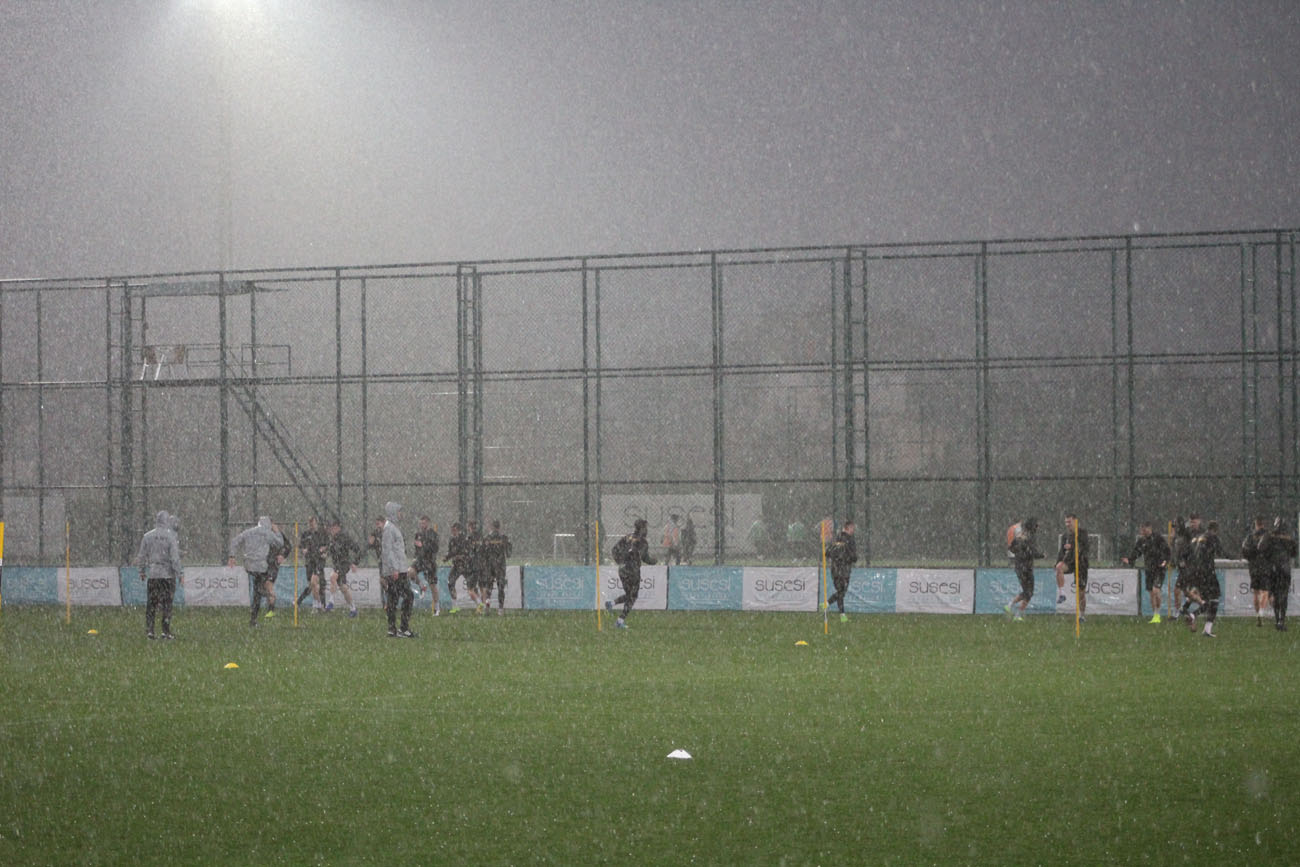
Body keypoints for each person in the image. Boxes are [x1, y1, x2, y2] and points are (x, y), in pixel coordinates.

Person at [230, 515, 286, 627]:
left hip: (249, 565)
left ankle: (255, 615)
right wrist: (277, 532)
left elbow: (235, 541)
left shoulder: (249, 532)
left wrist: (232, 556)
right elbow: (280, 543)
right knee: (258, 591)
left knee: (257, 587)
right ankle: (264, 595)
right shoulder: (267, 533)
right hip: (260, 566)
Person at [136, 510, 183, 640]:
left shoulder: (147, 536)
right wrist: (180, 573)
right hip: (167, 575)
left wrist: (141, 570)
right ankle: (165, 631)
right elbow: (174, 558)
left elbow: (141, 555)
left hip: (153, 574)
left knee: (151, 603)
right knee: (167, 603)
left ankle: (150, 631)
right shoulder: (170, 536)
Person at [605, 518, 657, 628]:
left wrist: (620, 561)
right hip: (633, 571)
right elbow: (645, 558)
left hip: (622, 570)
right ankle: (620, 621)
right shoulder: (642, 542)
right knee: (633, 596)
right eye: (645, 528)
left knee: (629, 595)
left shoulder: (627, 537)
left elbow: (614, 550)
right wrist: (654, 561)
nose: (646, 530)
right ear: (642, 528)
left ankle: (611, 603)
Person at [1178, 519, 1226, 637]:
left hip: (1195, 573)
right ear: (1215, 530)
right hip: (1208, 573)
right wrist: (1234, 557)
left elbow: (1186, 553)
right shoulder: (1212, 537)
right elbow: (1221, 552)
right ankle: (1195, 617)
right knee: (1214, 600)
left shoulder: (1198, 538)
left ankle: (1190, 613)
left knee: (1205, 600)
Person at [1122, 521, 1171, 624]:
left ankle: (1158, 612)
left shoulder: (1158, 538)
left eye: (1145, 529)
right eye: (1142, 530)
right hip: (1149, 569)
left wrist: (1165, 561)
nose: (1143, 532)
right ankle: (1156, 615)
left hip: (1159, 568)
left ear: (1150, 528)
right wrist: (1130, 560)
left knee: (1156, 590)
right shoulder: (1142, 541)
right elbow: (1137, 552)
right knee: (1151, 593)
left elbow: (1167, 551)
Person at [381, 502, 415, 637]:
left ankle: (392, 629)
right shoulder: (390, 529)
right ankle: (403, 628)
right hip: (396, 570)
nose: (401, 514)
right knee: (408, 596)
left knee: (393, 598)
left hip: (398, 569)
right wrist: (394, 568)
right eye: (399, 512)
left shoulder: (392, 527)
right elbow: (388, 550)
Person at [1261, 517, 1297, 631]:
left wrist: (1269, 555)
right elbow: (1295, 552)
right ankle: (1282, 620)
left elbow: (1260, 547)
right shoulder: (1289, 537)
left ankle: (1277, 620)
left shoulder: (1269, 535)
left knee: (1275, 594)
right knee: (1284, 594)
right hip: (1285, 568)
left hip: (1273, 568)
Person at [1003, 517, 1043, 621]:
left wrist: (1019, 552)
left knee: (1027, 591)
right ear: (1033, 526)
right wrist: (1042, 555)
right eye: (1037, 525)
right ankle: (1017, 613)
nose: (1038, 528)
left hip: (1019, 567)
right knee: (1029, 593)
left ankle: (1010, 606)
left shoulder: (1020, 536)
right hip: (1026, 567)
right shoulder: (1030, 537)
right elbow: (1032, 552)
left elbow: (1011, 548)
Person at [1055, 514, 1090, 620]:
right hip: (1069, 562)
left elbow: (1085, 547)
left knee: (1081, 592)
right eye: (1066, 522)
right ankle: (1062, 594)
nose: (1067, 524)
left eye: (1069, 522)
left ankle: (1082, 615)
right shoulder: (1065, 536)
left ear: (1075, 521)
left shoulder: (1082, 533)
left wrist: (1073, 546)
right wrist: (1058, 562)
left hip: (1081, 563)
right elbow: (1062, 551)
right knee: (1059, 567)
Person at [1241, 515, 1272, 627]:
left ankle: (1257, 615)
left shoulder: (1250, 536)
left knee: (1256, 592)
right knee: (1265, 591)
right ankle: (1261, 613)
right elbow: (1271, 550)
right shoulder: (1268, 535)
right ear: (1264, 524)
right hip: (1264, 566)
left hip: (1253, 566)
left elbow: (1244, 549)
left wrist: (1251, 558)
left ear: (1256, 524)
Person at [825, 519, 859, 622]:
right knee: (842, 592)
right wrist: (853, 558)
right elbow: (853, 556)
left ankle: (842, 615)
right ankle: (827, 603)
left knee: (840, 591)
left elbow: (828, 552)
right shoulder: (849, 540)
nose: (853, 530)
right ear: (848, 528)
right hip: (844, 570)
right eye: (852, 528)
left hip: (835, 569)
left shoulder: (837, 538)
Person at [325, 519, 361, 617]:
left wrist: (355, 563)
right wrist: (325, 553)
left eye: (333, 528)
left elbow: (357, 549)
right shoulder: (332, 539)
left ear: (338, 528)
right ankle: (353, 609)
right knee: (343, 588)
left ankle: (331, 602)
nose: (331, 530)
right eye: (330, 528)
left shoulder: (345, 537)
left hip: (344, 564)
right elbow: (331, 551)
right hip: (337, 565)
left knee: (333, 577)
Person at [297, 516, 330, 613]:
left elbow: (328, 545)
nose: (311, 525)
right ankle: (318, 605)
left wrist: (325, 551)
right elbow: (301, 546)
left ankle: (318, 605)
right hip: (309, 561)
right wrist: (303, 550)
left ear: (316, 523)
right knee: (312, 584)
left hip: (319, 561)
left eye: (313, 523)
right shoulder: (305, 534)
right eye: (310, 523)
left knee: (317, 583)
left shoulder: (322, 533)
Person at [481, 519, 512, 614]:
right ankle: (500, 609)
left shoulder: (487, 538)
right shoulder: (504, 538)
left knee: (488, 587)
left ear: (491, 527)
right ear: (499, 527)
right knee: (500, 587)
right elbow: (509, 554)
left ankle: (487, 605)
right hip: (500, 566)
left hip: (489, 565)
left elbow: (482, 552)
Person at [413, 515, 440, 614]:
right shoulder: (418, 534)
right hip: (420, 560)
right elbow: (417, 548)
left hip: (430, 561)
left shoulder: (433, 534)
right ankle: (421, 586)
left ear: (428, 523)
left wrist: (423, 545)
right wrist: (416, 556)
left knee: (433, 585)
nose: (422, 525)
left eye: (424, 523)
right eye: (421, 523)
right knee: (410, 572)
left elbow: (435, 548)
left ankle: (437, 608)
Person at [444, 522, 471, 614]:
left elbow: (467, 553)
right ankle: (455, 606)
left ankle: (479, 604)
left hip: (465, 565)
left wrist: (460, 556)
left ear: (459, 530)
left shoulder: (464, 539)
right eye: (452, 530)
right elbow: (451, 552)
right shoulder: (452, 540)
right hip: (456, 565)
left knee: (471, 585)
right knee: (450, 582)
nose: (453, 532)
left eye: (454, 530)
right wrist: (446, 558)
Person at [466, 519, 487, 612]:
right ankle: (483, 607)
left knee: (470, 589)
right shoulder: (481, 537)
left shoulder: (469, 538)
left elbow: (468, 552)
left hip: (474, 566)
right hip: (482, 565)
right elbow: (485, 550)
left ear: (469, 527)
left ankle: (480, 603)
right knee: (482, 587)